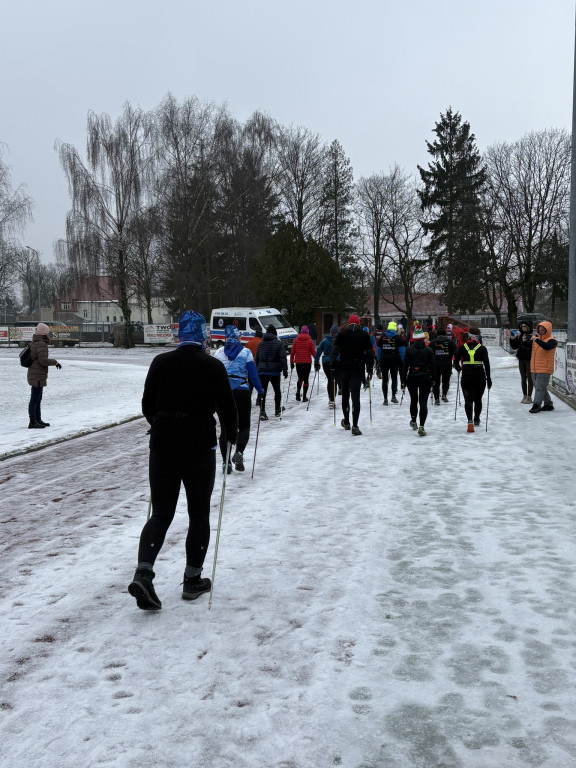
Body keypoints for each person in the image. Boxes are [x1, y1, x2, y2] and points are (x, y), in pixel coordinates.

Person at [128, 310, 238, 611]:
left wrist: (161, 424)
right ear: (202, 335)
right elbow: (228, 409)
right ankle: (192, 579)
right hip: (199, 444)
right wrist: (230, 436)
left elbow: (147, 405)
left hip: (163, 443)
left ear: (180, 334)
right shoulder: (213, 365)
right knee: (198, 513)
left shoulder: (160, 362)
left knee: (161, 513)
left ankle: (144, 573)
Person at [214, 326, 264, 473]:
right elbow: (253, 375)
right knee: (244, 426)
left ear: (226, 338)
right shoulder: (245, 352)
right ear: (238, 337)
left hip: (223, 393)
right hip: (242, 392)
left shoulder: (218, 352)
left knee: (225, 428)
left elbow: (214, 374)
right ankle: (239, 452)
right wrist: (260, 391)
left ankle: (226, 463)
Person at [331, 315, 374, 436]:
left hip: (344, 368)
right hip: (357, 367)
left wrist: (332, 366)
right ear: (358, 323)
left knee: (345, 395)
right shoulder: (364, 335)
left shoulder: (342, 334)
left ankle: (346, 421)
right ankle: (355, 425)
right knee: (355, 397)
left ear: (348, 323)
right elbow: (370, 352)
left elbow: (335, 351)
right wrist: (370, 366)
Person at [454, 326, 492, 432]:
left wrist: (459, 368)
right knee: (478, 399)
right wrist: (488, 378)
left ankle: (469, 421)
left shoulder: (463, 347)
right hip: (479, 376)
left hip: (467, 375)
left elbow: (455, 362)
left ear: (469, 335)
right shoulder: (482, 349)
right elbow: (487, 364)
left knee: (468, 399)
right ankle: (476, 419)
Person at [26, 322, 62, 429]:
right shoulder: (41, 344)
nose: (48, 334)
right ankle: (33, 421)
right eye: (47, 332)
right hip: (37, 375)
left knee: (37, 398)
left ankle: (37, 419)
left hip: (36, 374)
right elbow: (43, 361)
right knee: (35, 399)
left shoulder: (35, 342)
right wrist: (55, 362)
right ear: (44, 334)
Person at [401, 325, 435, 436]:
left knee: (414, 400)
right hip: (425, 376)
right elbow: (433, 366)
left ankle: (414, 421)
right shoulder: (429, 350)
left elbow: (405, 366)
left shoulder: (409, 350)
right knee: (423, 402)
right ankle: (422, 426)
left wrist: (403, 380)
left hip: (412, 377)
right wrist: (433, 379)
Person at [255, 324, 288, 419]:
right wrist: (285, 369)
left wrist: (259, 368)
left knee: (262, 392)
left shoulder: (261, 344)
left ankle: (262, 412)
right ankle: (277, 409)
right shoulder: (278, 343)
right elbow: (282, 357)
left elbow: (257, 358)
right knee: (277, 390)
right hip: (275, 371)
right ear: (275, 333)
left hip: (262, 371)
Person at [529, 321, 557, 413]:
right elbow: (526, 347)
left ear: (547, 330)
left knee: (539, 388)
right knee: (540, 387)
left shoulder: (552, 340)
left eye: (542, 330)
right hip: (534, 367)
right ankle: (548, 404)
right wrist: (525, 340)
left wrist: (536, 340)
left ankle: (536, 405)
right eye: (539, 330)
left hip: (544, 368)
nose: (540, 332)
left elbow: (547, 347)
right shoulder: (536, 339)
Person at [377, 321, 406, 405]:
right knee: (394, 378)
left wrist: (378, 360)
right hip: (394, 359)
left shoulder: (382, 337)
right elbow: (402, 351)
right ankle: (393, 396)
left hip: (384, 359)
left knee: (385, 380)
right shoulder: (398, 338)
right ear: (395, 329)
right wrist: (403, 361)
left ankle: (385, 398)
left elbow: (378, 349)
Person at [428, 327, 458, 404]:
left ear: (437, 334)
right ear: (445, 334)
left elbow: (428, 354)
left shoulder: (432, 342)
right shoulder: (450, 342)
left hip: (435, 364)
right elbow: (456, 353)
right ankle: (444, 394)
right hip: (447, 364)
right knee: (446, 381)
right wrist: (456, 363)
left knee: (436, 381)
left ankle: (436, 399)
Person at [509, 320, 534, 403]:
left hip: (529, 359)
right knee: (523, 377)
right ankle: (525, 395)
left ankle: (529, 396)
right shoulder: (520, 335)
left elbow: (529, 346)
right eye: (522, 326)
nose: (523, 328)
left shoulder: (531, 335)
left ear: (528, 327)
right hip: (521, 358)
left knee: (530, 378)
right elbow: (515, 346)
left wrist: (523, 342)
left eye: (525, 326)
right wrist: (512, 339)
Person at [314, 324, 339, 407]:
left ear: (330, 332)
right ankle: (332, 400)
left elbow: (318, 351)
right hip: (336, 361)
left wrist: (316, 362)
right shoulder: (339, 341)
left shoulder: (324, 341)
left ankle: (330, 399)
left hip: (326, 362)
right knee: (334, 380)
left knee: (330, 380)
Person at [290, 325, 316, 402]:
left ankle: (298, 391)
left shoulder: (296, 340)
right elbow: (313, 353)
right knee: (306, 379)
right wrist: (317, 361)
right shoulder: (310, 341)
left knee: (300, 378)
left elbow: (292, 352)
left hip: (298, 362)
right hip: (307, 362)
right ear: (308, 332)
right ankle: (304, 397)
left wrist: (291, 362)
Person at [245, 326, 263, 404]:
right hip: (259, 366)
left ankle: (248, 399)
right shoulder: (262, 343)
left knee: (250, 384)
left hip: (250, 366)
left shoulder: (249, 343)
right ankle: (258, 400)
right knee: (260, 383)